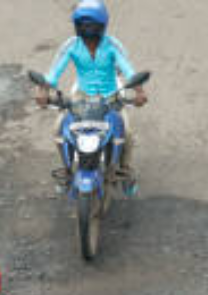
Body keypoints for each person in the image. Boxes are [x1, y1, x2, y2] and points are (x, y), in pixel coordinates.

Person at [36, 0, 148, 189]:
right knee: (58, 129)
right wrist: (42, 91)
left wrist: (139, 92)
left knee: (127, 132)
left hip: (112, 97)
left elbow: (128, 71)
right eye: (83, 25)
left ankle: (125, 168)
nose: (88, 30)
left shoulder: (112, 44)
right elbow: (53, 74)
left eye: (92, 25)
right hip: (81, 96)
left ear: (102, 26)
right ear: (77, 27)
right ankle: (67, 169)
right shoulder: (71, 45)